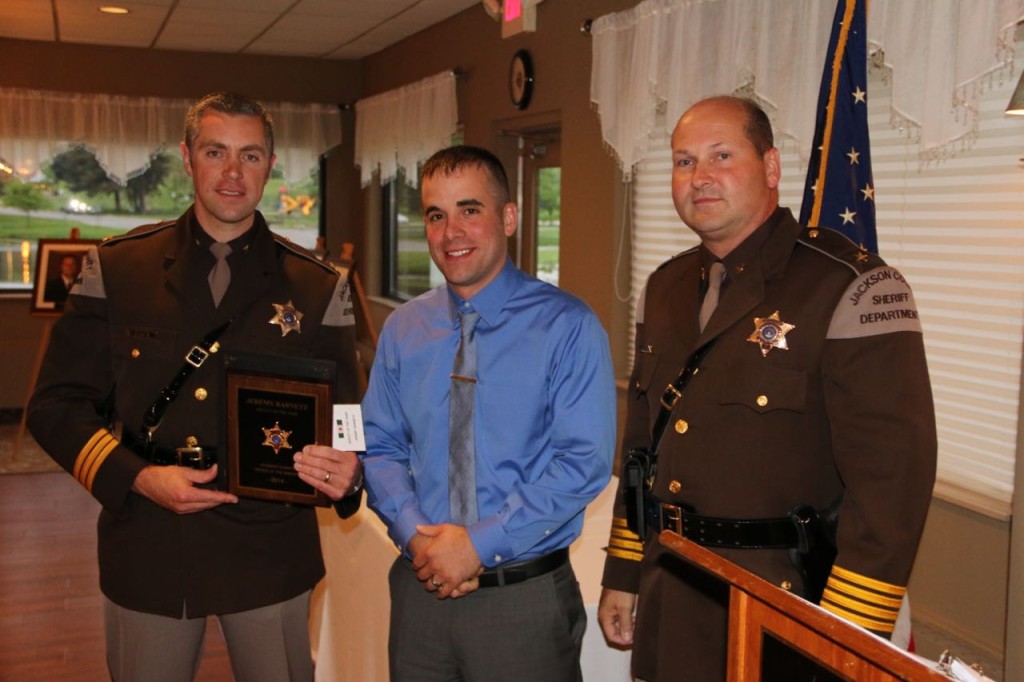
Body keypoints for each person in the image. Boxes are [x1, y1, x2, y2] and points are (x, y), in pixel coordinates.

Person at [597, 96, 937, 680]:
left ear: (772, 167)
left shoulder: (852, 287)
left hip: (782, 603)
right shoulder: (666, 286)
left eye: (721, 155)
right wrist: (625, 572)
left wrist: (841, 634)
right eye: (683, 162)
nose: (699, 177)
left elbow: (892, 485)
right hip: (670, 589)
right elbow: (641, 450)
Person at [27, 92, 363, 682]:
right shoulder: (119, 268)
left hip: (268, 543)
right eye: (216, 152)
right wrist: (136, 478)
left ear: (271, 164)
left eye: (251, 155)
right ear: (187, 158)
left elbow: (348, 416)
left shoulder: (316, 286)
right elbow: (56, 406)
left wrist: (352, 469)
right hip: (149, 538)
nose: (233, 173)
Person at [361, 145, 615, 680]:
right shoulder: (405, 329)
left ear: (508, 216)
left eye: (469, 210)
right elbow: (379, 444)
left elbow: (582, 464)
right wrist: (416, 535)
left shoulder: (567, 327)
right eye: (436, 215)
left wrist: (477, 544)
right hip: (419, 595)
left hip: (520, 603)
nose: (451, 232)